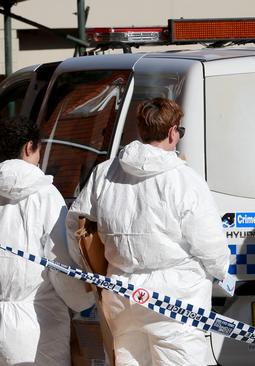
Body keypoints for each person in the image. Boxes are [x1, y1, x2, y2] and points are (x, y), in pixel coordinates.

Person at [66, 97, 230, 365]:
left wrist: (90, 269)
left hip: (120, 291)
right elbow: (209, 242)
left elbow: (76, 224)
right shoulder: (184, 179)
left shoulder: (105, 173)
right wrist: (222, 272)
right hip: (176, 297)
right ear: (172, 132)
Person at [0, 116, 94, 365]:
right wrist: (84, 300)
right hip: (38, 322)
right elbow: (59, 261)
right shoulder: (44, 194)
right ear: (30, 147)